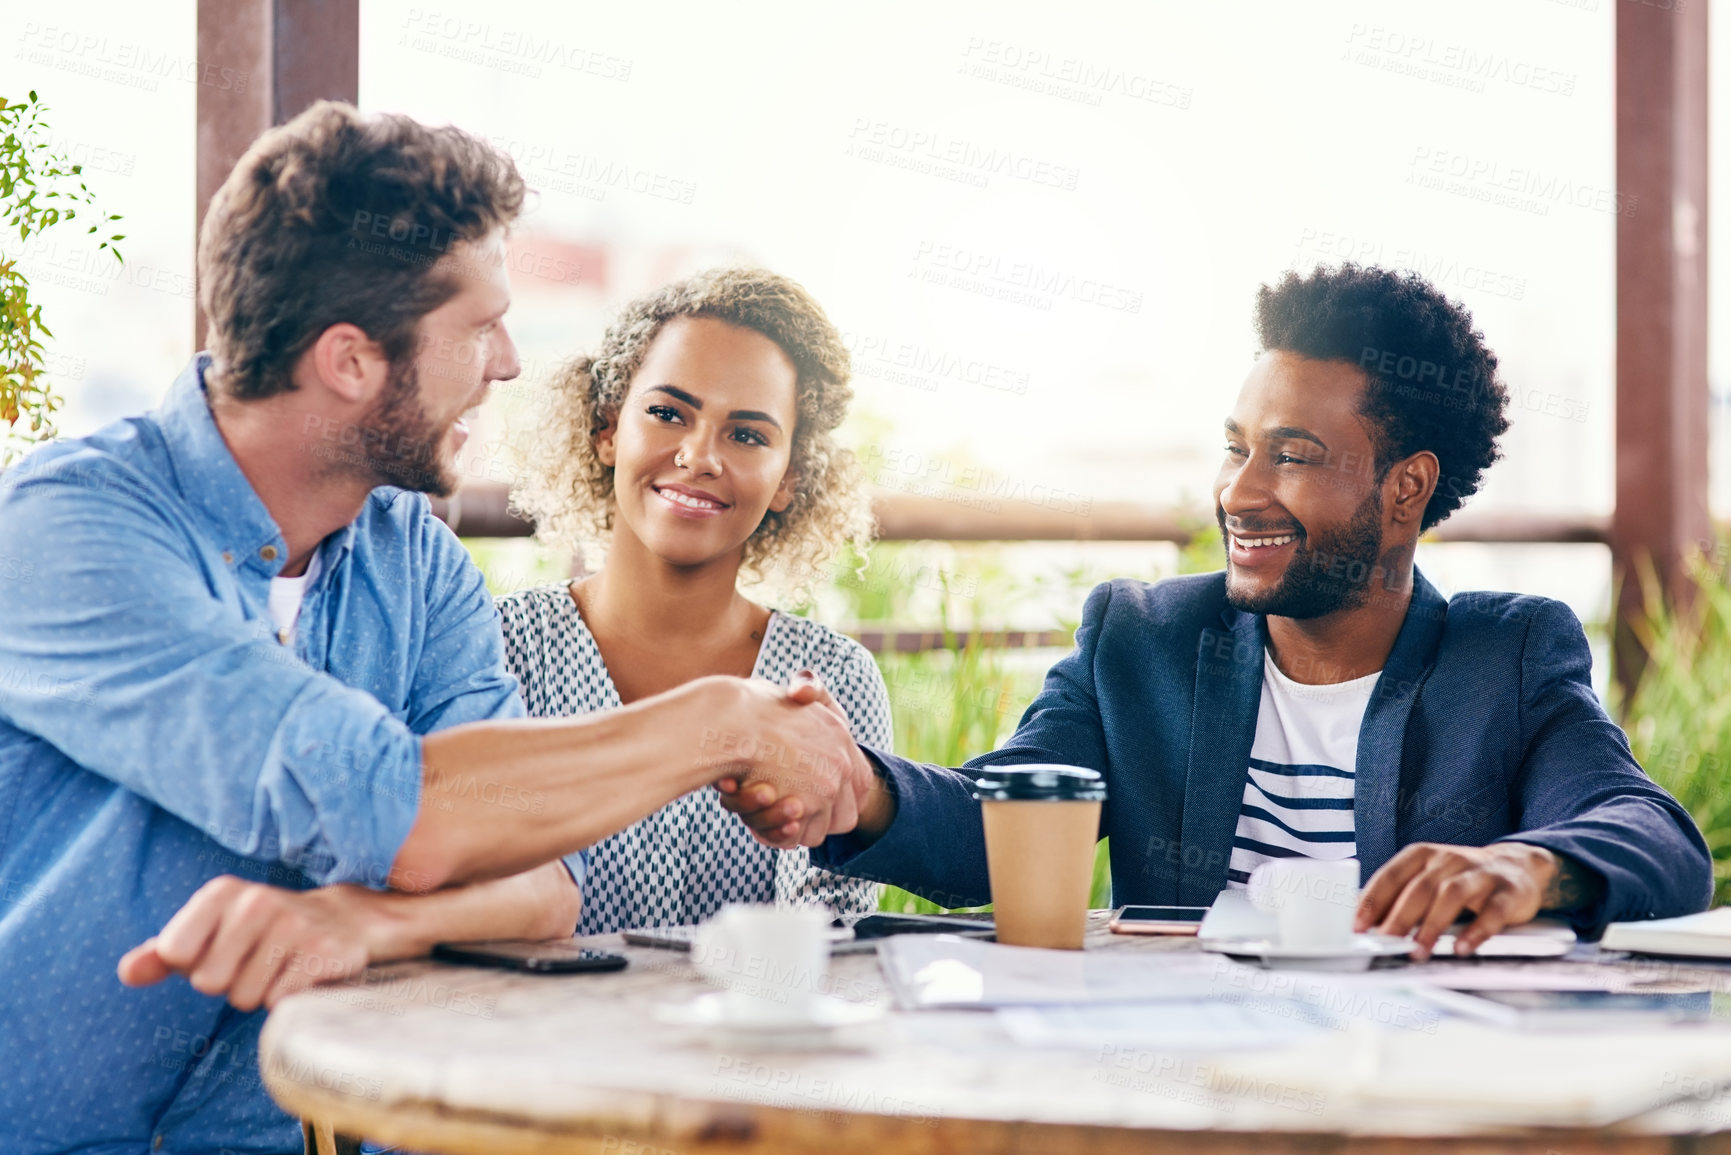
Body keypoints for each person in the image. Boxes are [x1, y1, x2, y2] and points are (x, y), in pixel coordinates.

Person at [0, 103, 869, 1154]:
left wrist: (373, 923)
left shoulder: (415, 560)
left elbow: (547, 884)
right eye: (477, 325)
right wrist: (724, 722)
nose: (507, 361)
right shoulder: (69, 530)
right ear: (352, 362)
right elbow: (403, 814)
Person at [727, 264, 1715, 957]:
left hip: (1408, 1090)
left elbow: (1654, 835)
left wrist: (1528, 867)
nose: (1239, 492)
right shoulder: (1143, 641)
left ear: (1406, 489)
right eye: (1236, 446)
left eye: (1291, 455)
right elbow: (995, 821)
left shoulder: (1505, 654)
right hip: (1186, 1085)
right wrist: (860, 790)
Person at [498, 268, 888, 933]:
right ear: (606, 429)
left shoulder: (834, 680)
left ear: (789, 477)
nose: (698, 455)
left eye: (747, 434)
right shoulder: (501, 648)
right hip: (533, 1034)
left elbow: (835, 943)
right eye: (667, 413)